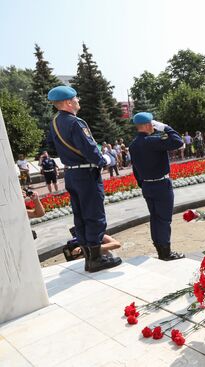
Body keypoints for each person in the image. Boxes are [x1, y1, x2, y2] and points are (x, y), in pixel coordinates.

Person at [47, 85, 121, 272]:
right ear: (68, 102)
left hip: (71, 174)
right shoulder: (76, 122)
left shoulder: (54, 122)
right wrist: (103, 160)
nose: (78, 101)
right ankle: (97, 260)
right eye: (76, 98)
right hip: (86, 174)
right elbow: (89, 148)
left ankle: (89, 258)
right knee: (94, 214)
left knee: (80, 215)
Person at [129, 112, 185, 261]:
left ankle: (160, 249)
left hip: (147, 186)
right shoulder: (152, 141)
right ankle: (166, 253)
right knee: (164, 220)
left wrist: (143, 184)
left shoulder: (133, 145)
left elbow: (135, 169)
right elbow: (178, 142)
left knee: (155, 218)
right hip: (161, 185)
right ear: (148, 125)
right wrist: (166, 127)